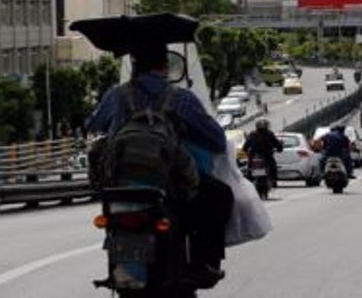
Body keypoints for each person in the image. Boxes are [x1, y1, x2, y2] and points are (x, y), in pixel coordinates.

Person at [85, 41, 232, 288]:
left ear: (134, 66)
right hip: (167, 181)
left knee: (113, 215)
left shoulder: (117, 95)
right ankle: (203, 263)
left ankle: (118, 269)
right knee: (220, 196)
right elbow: (217, 140)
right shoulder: (180, 98)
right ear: (165, 66)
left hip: (120, 182)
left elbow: (92, 125)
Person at [243, 119, 284, 187]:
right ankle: (273, 180)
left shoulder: (253, 134)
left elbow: (245, 146)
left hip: (258, 156)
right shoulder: (269, 134)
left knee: (271, 167)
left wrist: (279, 148)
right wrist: (279, 148)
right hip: (262, 156)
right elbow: (277, 144)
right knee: (272, 167)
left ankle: (272, 181)